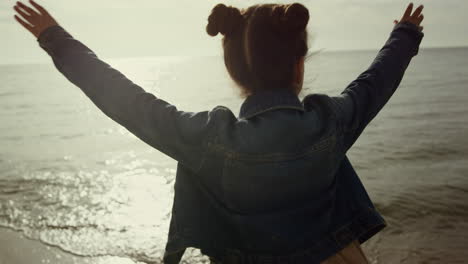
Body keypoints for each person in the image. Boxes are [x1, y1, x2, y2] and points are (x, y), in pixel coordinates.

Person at [13, 0, 424, 263]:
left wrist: (55, 39)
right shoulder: (329, 121)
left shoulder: (209, 139)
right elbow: (376, 81)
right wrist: (404, 35)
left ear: (233, 69)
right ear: (299, 65)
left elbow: (125, 100)